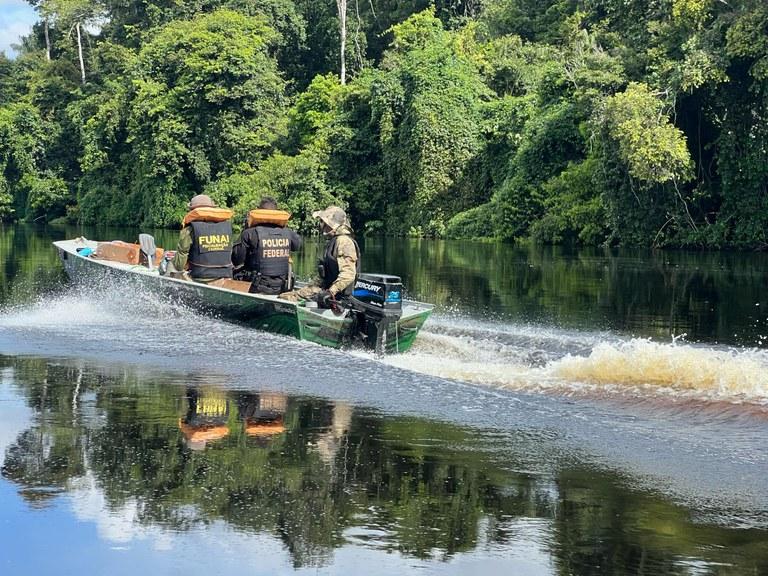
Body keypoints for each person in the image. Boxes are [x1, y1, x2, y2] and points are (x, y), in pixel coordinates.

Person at [279, 205, 360, 306]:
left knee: (288, 298)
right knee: (286, 295)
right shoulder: (334, 241)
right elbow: (323, 275)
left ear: (332, 224)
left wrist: (330, 292)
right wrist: (309, 289)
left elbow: (348, 275)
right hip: (326, 290)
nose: (322, 225)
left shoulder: (344, 241)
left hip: (336, 296)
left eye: (324, 222)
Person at [231, 197, 302, 294]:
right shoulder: (288, 233)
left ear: (259, 211)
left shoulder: (249, 233)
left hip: (256, 287)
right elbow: (297, 246)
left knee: (235, 272)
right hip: (282, 286)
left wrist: (245, 229)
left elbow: (237, 260)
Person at [165, 194, 234, 282]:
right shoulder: (226, 227)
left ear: (192, 210)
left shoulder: (189, 229)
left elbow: (179, 265)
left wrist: (175, 261)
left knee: (170, 264)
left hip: (200, 277)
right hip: (225, 275)